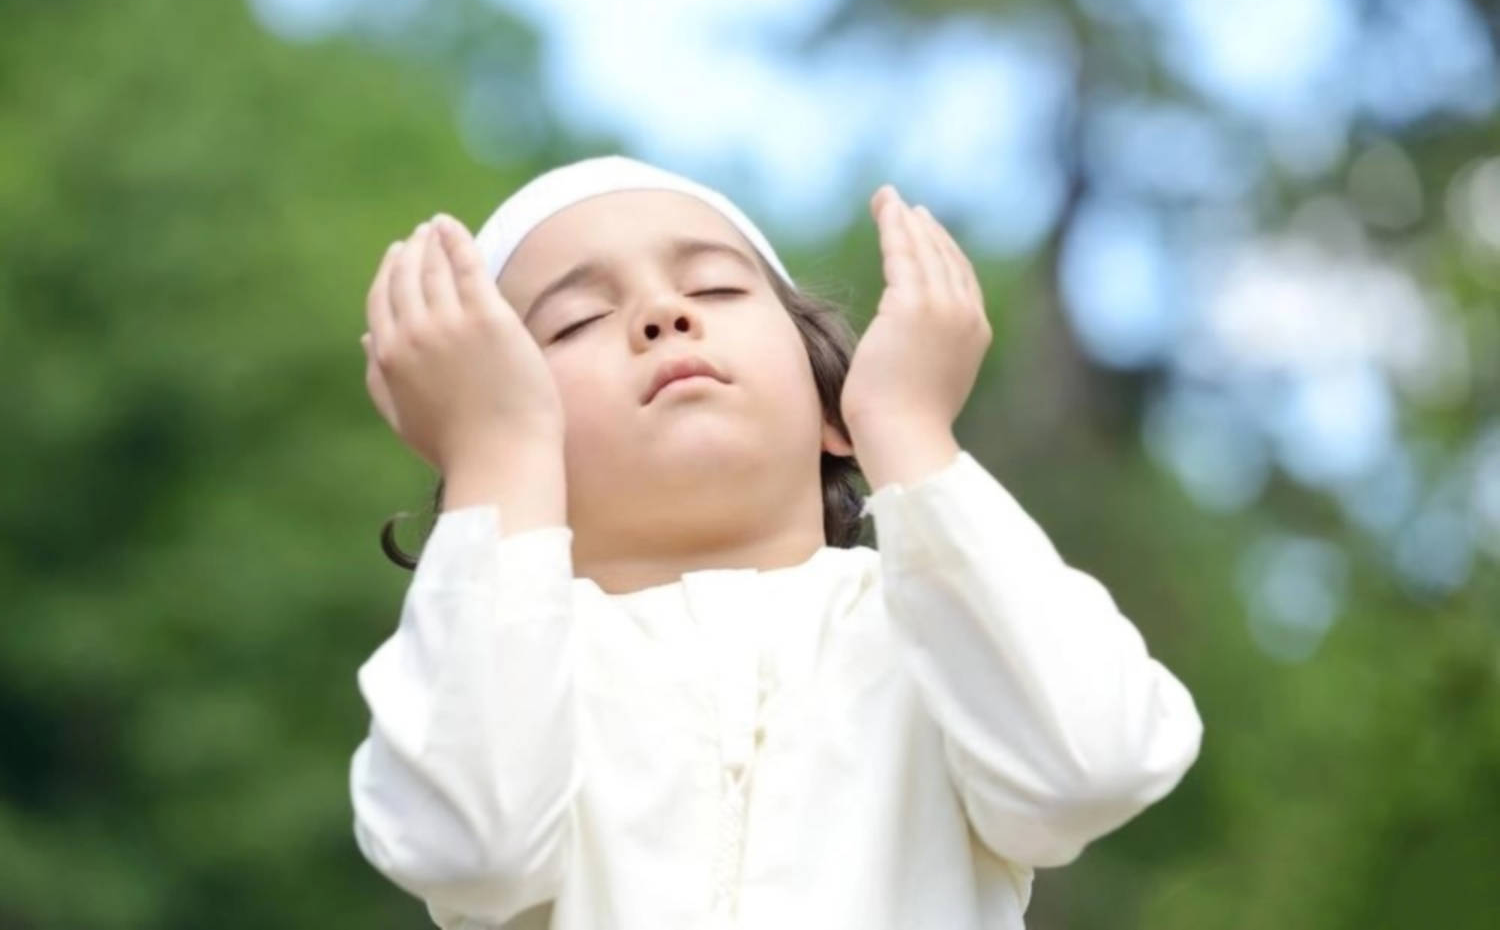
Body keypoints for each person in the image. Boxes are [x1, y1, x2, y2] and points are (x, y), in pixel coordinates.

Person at [349, 155, 1203, 930]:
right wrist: (495, 465)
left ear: (833, 404)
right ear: (513, 438)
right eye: (574, 322)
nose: (662, 313)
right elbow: (467, 847)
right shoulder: (504, 671)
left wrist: (906, 428)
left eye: (717, 290)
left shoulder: (942, 631)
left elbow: (1092, 765)